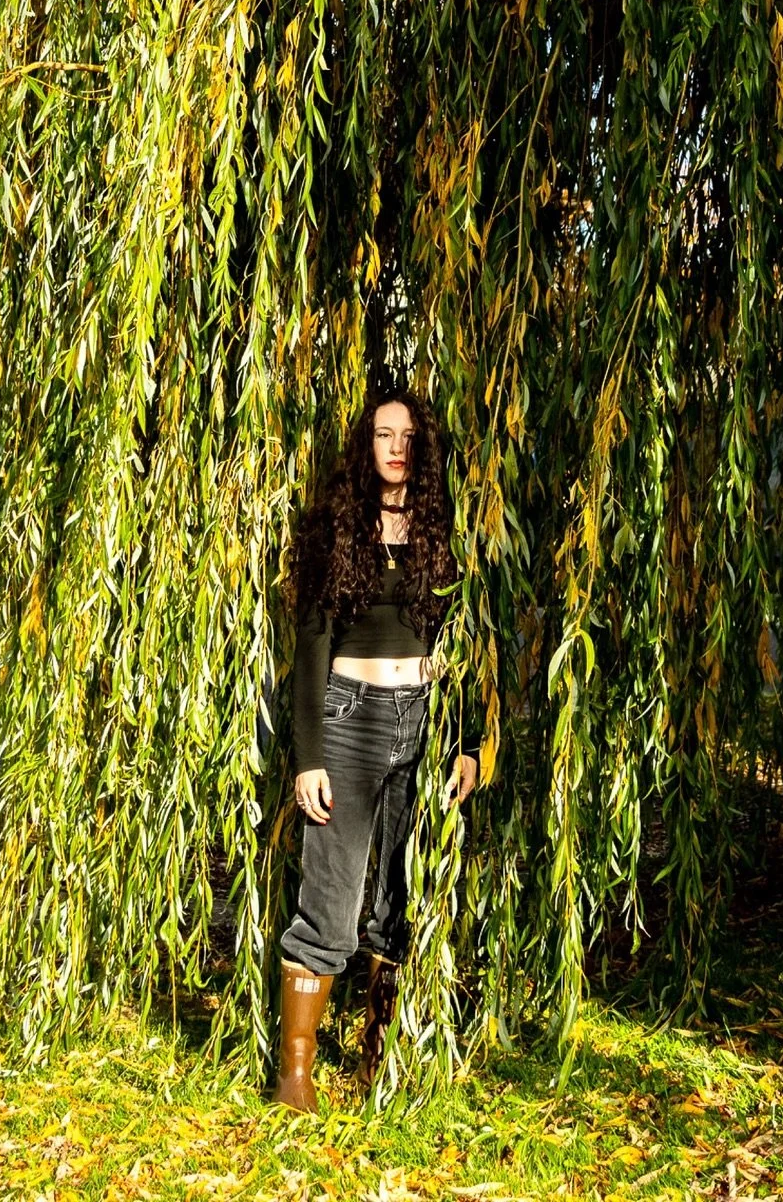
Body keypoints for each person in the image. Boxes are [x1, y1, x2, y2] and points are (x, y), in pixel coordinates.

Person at [272, 390, 479, 1111]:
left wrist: (467, 741)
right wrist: (308, 757)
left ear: (424, 449)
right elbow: (311, 647)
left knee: (400, 896)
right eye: (382, 435)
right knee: (331, 896)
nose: (395, 447)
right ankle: (294, 1073)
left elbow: (468, 643)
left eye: (408, 436)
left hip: (421, 724)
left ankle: (377, 1061)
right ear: (365, 447)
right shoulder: (338, 530)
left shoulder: (446, 530)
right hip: (348, 720)